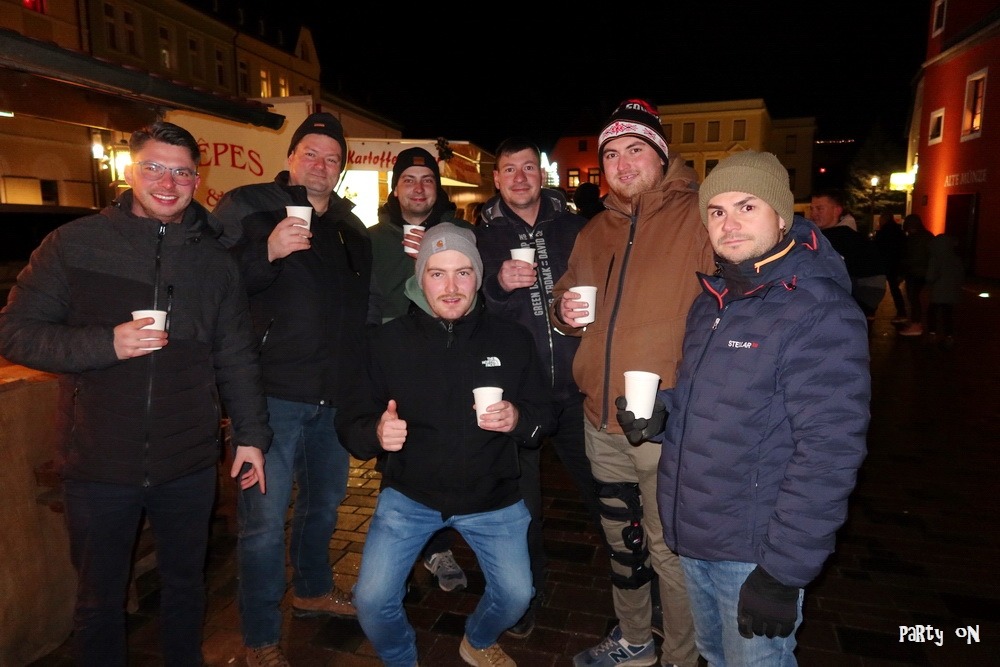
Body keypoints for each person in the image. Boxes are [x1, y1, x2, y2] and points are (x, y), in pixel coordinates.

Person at [0, 121, 272, 666]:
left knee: (185, 588)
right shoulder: (74, 244)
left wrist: (251, 436)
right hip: (98, 460)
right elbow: (15, 333)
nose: (168, 183)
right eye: (154, 168)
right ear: (130, 171)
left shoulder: (215, 262)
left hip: (187, 461)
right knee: (99, 601)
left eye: (181, 173)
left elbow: (236, 355)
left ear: (197, 181)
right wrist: (107, 343)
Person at [627, 150, 871, 666]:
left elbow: (828, 454)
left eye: (747, 206)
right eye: (716, 211)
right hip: (698, 534)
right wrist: (663, 413)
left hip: (755, 551)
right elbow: (714, 400)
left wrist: (783, 572)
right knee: (714, 656)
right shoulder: (714, 301)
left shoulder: (818, 310)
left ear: (781, 216)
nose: (729, 223)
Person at [336, 222, 555, 667]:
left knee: (518, 596)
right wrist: (376, 433)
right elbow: (350, 421)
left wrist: (518, 419)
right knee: (372, 600)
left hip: (493, 497)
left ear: (478, 277)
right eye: (437, 274)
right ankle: (401, 658)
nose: (451, 288)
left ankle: (478, 639)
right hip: (410, 496)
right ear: (420, 279)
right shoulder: (385, 342)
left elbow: (544, 416)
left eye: (463, 273)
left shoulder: (512, 340)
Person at [552, 98, 711, 667]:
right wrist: (562, 311)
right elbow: (566, 293)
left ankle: (681, 658)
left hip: (665, 426)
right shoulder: (595, 229)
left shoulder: (700, 216)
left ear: (661, 156)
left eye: (635, 150)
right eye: (611, 154)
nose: (622, 164)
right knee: (623, 544)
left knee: (670, 552)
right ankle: (636, 639)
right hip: (601, 420)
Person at [213, 112, 375, 667]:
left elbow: (361, 313)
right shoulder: (248, 206)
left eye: (332, 158)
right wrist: (265, 253)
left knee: (323, 506)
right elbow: (211, 282)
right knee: (262, 524)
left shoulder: (351, 227)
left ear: (341, 167)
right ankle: (259, 637)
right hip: (269, 396)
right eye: (311, 153)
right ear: (290, 158)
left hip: (333, 398)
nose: (321, 165)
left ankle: (311, 589)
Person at [475, 137, 603, 639]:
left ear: (541, 174)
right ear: (497, 179)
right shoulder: (481, 236)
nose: (520, 178)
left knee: (604, 493)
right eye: (510, 169)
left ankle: (634, 589)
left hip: (575, 387)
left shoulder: (575, 227)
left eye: (528, 167)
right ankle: (524, 594)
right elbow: (465, 306)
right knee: (520, 507)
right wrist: (496, 284)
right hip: (518, 392)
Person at [369, 146, 474, 593]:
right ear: (395, 188)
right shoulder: (372, 238)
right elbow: (365, 303)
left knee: (443, 450)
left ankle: (438, 546)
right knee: (395, 455)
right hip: (393, 364)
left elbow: (476, 296)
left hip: (450, 362)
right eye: (409, 180)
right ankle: (399, 553)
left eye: (427, 179)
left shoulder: (461, 234)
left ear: (437, 188)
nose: (418, 188)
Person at [810, 189, 886, 320]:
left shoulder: (836, 238)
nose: (814, 214)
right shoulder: (839, 235)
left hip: (853, 300)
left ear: (837, 210)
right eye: (812, 209)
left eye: (820, 209)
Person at [925, 233, 965, 348]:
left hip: (938, 291)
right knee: (948, 315)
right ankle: (949, 336)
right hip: (951, 291)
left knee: (932, 312)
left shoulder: (935, 258)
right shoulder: (955, 258)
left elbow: (930, 276)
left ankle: (932, 334)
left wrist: (929, 283)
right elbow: (961, 275)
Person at [898, 213, 934, 337]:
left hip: (915, 272)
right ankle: (916, 323)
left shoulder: (914, 238)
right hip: (923, 271)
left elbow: (912, 256)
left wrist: (904, 267)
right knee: (916, 298)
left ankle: (916, 324)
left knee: (914, 298)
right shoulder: (928, 236)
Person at [874, 212, 908, 323]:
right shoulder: (899, 232)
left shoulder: (883, 232)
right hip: (896, 264)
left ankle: (871, 311)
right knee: (894, 289)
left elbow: (877, 247)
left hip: (885, 264)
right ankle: (901, 312)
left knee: (877, 287)